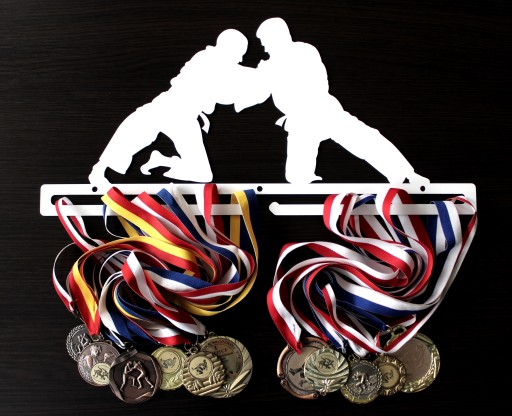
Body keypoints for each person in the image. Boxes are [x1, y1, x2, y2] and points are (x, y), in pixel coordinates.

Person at [241, 17, 430, 186]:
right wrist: (244, 96)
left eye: (266, 42)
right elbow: (258, 92)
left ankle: (405, 174)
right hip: (301, 122)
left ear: (278, 37)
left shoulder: (302, 52)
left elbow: (315, 82)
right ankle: (302, 183)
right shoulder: (270, 65)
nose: (264, 47)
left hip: (323, 111)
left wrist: (269, 74)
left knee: (365, 138)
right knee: (297, 169)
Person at [88, 29, 258, 186]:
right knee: (133, 131)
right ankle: (99, 170)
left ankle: (161, 160)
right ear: (228, 48)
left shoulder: (216, 62)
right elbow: (231, 80)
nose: (240, 59)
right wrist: (261, 74)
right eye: (239, 54)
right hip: (172, 108)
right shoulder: (210, 60)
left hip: (184, 115)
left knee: (202, 173)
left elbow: (234, 78)